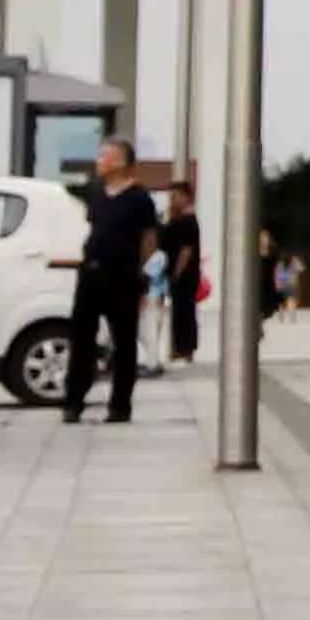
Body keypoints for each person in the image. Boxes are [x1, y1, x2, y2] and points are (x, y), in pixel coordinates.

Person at [58, 142, 160, 423]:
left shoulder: (139, 198)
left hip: (123, 276)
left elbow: (148, 240)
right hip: (91, 273)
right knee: (81, 338)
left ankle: (120, 405)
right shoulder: (95, 192)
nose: (99, 160)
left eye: (105, 156)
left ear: (120, 162)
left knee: (124, 341)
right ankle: (73, 401)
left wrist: (143, 274)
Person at [158, 183, 203, 366]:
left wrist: (177, 271)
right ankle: (181, 347)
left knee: (185, 311)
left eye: (175, 196)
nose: (172, 200)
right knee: (179, 311)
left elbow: (186, 250)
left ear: (186, 197)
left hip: (184, 274)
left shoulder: (188, 221)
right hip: (177, 272)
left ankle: (185, 348)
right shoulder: (177, 219)